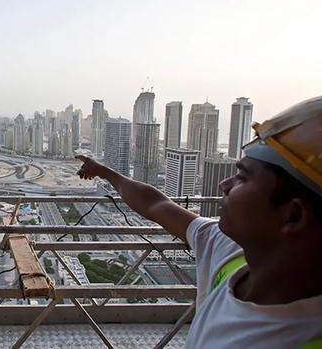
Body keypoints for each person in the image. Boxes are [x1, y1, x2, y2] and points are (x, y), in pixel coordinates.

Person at [76, 96, 322, 348]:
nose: (224, 185)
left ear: (293, 215)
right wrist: (104, 172)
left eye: (242, 178)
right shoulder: (228, 251)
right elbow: (156, 204)